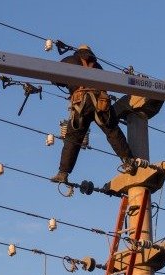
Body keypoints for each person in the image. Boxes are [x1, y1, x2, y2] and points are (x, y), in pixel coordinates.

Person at [50, 45, 134, 183]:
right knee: (112, 130)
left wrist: (69, 83)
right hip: (101, 102)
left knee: (73, 138)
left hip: (81, 102)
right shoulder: (98, 66)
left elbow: (55, 78)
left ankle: (63, 173)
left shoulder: (69, 60)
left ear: (78, 52)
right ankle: (128, 161)